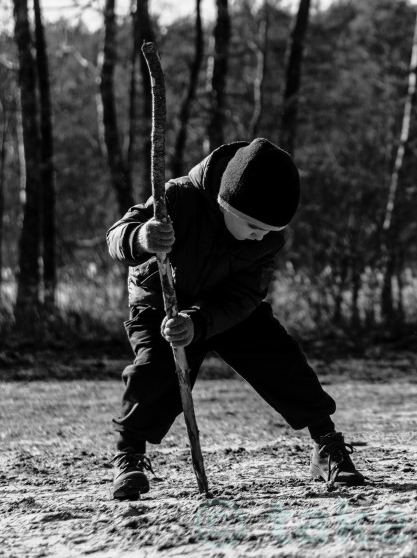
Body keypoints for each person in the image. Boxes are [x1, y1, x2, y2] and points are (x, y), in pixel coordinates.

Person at [106, 138, 364, 500]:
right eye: (252, 226)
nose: (260, 236)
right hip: (161, 306)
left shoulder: (266, 239)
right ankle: (129, 455)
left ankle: (325, 444)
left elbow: (245, 296)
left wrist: (198, 322)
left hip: (225, 306)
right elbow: (117, 235)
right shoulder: (177, 197)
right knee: (154, 372)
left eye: (269, 232)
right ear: (225, 203)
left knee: (281, 359)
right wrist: (141, 237)